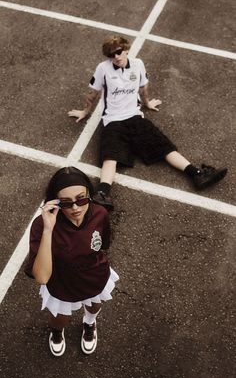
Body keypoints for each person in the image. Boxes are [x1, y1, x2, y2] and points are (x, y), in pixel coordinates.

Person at [68, 35, 227, 211]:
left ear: (126, 49)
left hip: (135, 116)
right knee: (110, 156)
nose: (116, 57)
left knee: (164, 146)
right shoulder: (103, 69)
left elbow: (143, 88)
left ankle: (197, 174)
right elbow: (92, 93)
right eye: (111, 55)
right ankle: (102, 193)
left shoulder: (138, 64)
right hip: (112, 120)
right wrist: (84, 111)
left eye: (119, 52)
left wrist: (147, 103)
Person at [25, 166, 119, 357]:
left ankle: (89, 322)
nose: (76, 208)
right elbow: (42, 276)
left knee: (94, 305)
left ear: (89, 195)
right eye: (66, 203)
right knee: (60, 318)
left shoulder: (100, 213)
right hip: (62, 281)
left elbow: (103, 245)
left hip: (93, 274)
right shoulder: (42, 225)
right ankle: (57, 332)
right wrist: (48, 230)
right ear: (55, 201)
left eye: (81, 199)